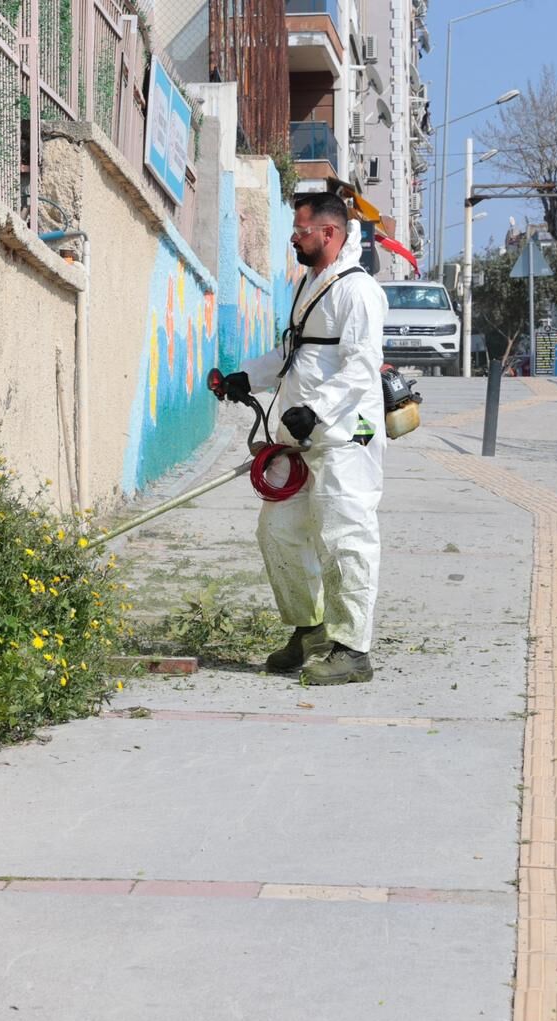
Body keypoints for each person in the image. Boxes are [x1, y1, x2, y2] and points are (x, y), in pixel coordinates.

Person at [208, 193, 387, 685]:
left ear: (329, 234)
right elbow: (295, 352)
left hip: (346, 436)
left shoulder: (358, 291)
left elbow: (362, 366)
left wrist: (317, 409)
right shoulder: (311, 283)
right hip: (302, 436)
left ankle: (353, 650)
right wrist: (246, 377)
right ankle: (311, 630)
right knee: (278, 531)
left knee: (345, 536)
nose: (293, 238)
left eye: (301, 231)